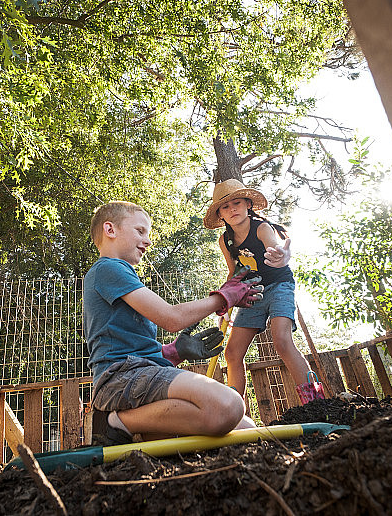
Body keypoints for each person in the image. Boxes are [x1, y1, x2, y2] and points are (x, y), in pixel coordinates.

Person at [84, 201, 263, 446]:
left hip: (140, 375)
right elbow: (172, 318)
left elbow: (128, 343)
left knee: (245, 428)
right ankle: (117, 422)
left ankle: (136, 422)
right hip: (120, 379)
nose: (147, 241)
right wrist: (224, 297)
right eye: (140, 231)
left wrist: (172, 352)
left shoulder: (118, 273)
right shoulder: (108, 268)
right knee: (229, 406)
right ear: (110, 230)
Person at [203, 179, 325, 405]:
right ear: (220, 215)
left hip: (279, 286)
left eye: (237, 203)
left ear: (248, 204)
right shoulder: (225, 240)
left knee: (281, 339)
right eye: (226, 207)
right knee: (232, 353)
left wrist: (282, 258)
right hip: (252, 294)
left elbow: (279, 251)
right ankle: (234, 411)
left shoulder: (261, 228)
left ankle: (316, 403)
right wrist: (227, 300)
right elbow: (233, 273)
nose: (232, 210)